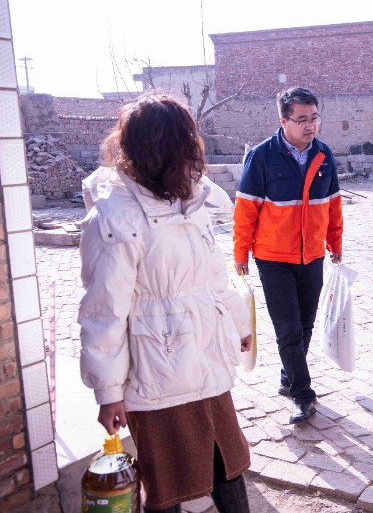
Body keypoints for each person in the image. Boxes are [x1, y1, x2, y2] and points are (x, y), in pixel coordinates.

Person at [78, 94, 253, 513]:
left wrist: (238, 327)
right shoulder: (114, 215)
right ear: (168, 146)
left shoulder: (189, 197)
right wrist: (108, 392)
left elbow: (214, 278)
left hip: (207, 364)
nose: (195, 147)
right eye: (187, 139)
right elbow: (104, 313)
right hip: (157, 373)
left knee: (228, 465)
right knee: (165, 487)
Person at [233, 87, 343, 424]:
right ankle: (302, 394)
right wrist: (240, 252)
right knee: (288, 328)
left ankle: (288, 377)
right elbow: (246, 208)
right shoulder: (262, 157)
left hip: (312, 256)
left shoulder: (324, 155)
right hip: (273, 257)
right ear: (283, 121)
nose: (310, 126)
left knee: (306, 324)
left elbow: (333, 204)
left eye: (314, 118)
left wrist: (335, 242)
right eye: (302, 119)